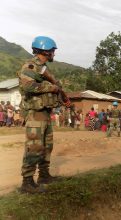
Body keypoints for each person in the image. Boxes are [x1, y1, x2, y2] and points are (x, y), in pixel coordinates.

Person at [17, 36, 70, 193]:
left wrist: (61, 97)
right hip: (35, 113)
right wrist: (50, 88)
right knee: (34, 147)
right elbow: (27, 86)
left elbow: (54, 89)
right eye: (53, 51)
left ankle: (44, 176)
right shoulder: (31, 66)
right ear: (46, 51)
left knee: (47, 146)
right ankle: (26, 183)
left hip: (45, 113)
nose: (54, 54)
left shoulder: (44, 69)